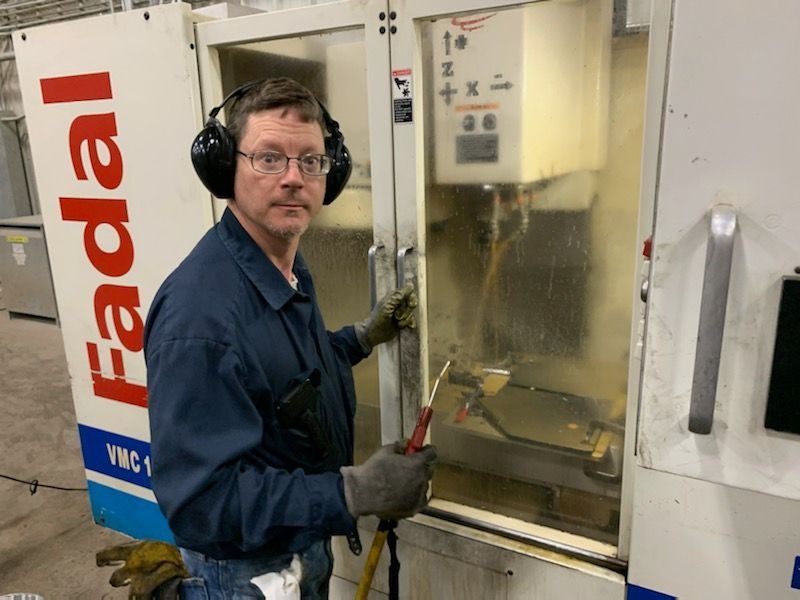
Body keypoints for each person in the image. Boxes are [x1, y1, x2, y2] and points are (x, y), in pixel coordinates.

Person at [144, 77, 437, 599]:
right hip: (246, 575)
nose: (294, 179)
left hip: (296, 554)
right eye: (269, 158)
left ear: (333, 173)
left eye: (311, 160)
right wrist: (353, 491)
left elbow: (285, 378)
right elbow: (202, 503)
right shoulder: (199, 320)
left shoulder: (282, 267)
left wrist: (361, 338)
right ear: (225, 169)